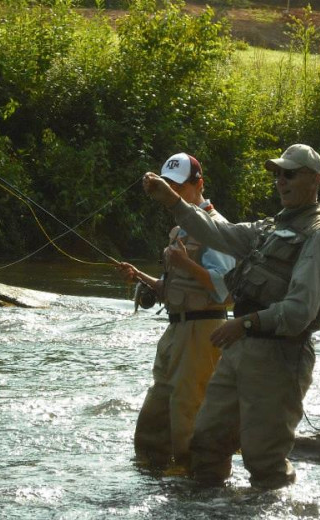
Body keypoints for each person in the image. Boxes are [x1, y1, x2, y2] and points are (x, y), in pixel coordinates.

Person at [142, 144, 320, 489]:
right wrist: (172, 201)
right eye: (277, 173)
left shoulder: (319, 236)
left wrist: (245, 323)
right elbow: (217, 233)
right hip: (239, 349)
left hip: (280, 357)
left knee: (264, 461)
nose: (281, 180)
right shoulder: (269, 228)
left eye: (290, 173)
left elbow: (299, 311)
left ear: (315, 180)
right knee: (206, 445)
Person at [117, 152, 235, 472]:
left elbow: (225, 291)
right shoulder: (181, 229)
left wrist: (185, 264)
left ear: (199, 185)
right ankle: (153, 479)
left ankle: (196, 490)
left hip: (201, 334)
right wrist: (142, 278)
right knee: (153, 422)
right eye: (167, 186)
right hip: (175, 332)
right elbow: (175, 288)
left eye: (178, 187)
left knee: (187, 418)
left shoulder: (216, 228)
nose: (171, 193)